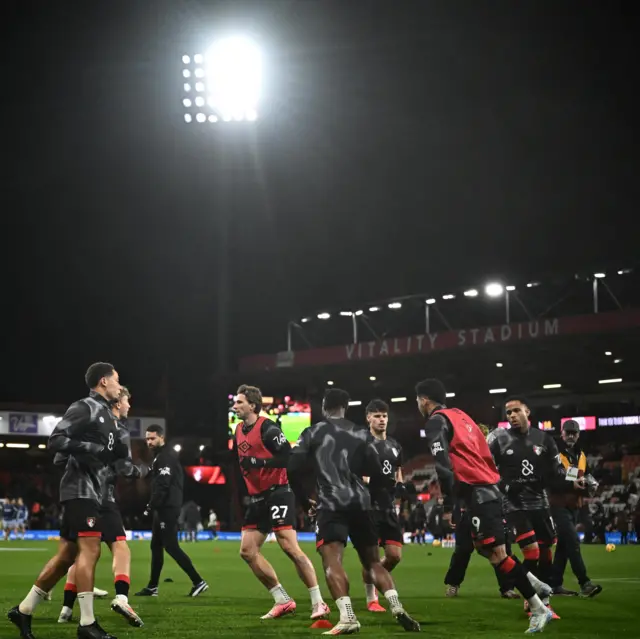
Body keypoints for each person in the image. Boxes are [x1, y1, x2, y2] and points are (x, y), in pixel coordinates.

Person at [417, 378, 555, 634]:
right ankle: (536, 583)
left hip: (478, 492)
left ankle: (539, 608)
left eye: (418, 401)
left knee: (497, 555)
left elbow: (443, 466)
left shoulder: (436, 421)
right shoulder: (462, 416)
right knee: (484, 548)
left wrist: (449, 504)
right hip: (490, 489)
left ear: (424, 400)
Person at [7, 361, 128, 639]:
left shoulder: (108, 417)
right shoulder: (84, 406)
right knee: (91, 550)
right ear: (103, 381)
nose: (120, 385)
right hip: (79, 491)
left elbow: (84, 455)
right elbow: (56, 441)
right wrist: (92, 449)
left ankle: (23, 611)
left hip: (92, 493)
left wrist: (115, 452)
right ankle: (87, 624)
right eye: (117, 379)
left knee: (65, 557)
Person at [288, 388, 420, 635]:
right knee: (372, 562)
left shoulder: (313, 432)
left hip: (331, 503)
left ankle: (348, 617)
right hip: (362, 503)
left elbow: (293, 468)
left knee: (332, 560)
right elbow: (379, 472)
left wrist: (305, 501)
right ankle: (396, 606)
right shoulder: (362, 434)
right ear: (346, 408)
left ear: (325, 408)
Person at [232, 384, 330, 621]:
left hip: (278, 492)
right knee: (247, 551)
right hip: (257, 498)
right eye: (235, 402)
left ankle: (319, 602)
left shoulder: (267, 427)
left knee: (289, 546)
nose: (235, 405)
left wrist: (260, 463)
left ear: (253, 406)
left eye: (239, 402)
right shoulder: (237, 429)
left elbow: (287, 455)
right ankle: (282, 600)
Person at [58, 387, 145, 627]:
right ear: (118, 403)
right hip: (101, 497)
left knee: (77, 553)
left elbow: (60, 456)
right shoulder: (117, 429)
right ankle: (121, 597)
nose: (129, 406)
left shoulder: (89, 424)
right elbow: (124, 468)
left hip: (75, 494)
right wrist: (142, 471)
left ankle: (65, 607)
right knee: (120, 547)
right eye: (127, 401)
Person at [489, 396, 576, 618]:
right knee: (532, 552)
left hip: (540, 502)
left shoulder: (544, 439)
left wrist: (581, 478)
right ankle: (532, 602)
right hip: (514, 504)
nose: (512, 416)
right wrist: (504, 485)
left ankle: (544, 602)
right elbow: (485, 468)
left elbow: (558, 470)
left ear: (527, 412)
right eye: (508, 413)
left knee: (547, 553)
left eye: (516, 411)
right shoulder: (499, 439)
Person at [134, 425, 207, 597]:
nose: (149, 442)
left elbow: (163, 485)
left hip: (167, 508)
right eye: (147, 439)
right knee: (156, 546)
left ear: (162, 438)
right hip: (163, 507)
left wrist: (150, 506)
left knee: (171, 546)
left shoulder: (165, 458)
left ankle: (198, 581)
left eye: (152, 438)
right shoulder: (161, 457)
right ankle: (152, 586)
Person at [361, 399, 406, 612]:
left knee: (394, 555)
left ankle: (376, 577)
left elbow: (397, 470)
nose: (381, 420)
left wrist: (401, 484)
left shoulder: (395, 446)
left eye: (384, 416)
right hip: (368, 507)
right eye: (377, 416)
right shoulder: (362, 444)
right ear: (368, 418)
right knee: (369, 556)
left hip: (388, 507)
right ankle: (371, 598)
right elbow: (357, 475)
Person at [548, 419, 602, 597]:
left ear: (578, 435)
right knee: (573, 542)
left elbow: (586, 475)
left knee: (563, 547)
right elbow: (553, 482)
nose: (571, 436)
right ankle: (584, 583)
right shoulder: (555, 454)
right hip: (558, 504)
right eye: (568, 432)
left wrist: (591, 484)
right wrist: (574, 485)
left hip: (574, 506)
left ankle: (555, 585)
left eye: (574, 433)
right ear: (562, 434)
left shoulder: (581, 455)